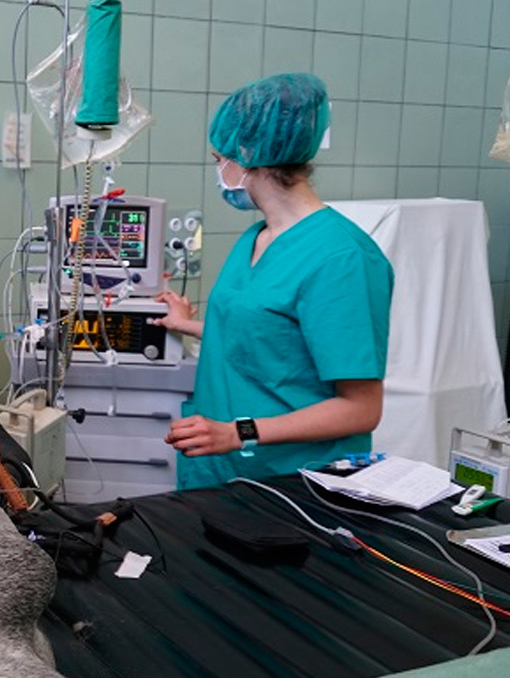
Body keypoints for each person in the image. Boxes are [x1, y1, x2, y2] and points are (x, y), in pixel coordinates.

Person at [154, 73, 393, 490]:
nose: (219, 171)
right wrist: (186, 324)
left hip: (292, 484)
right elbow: (272, 340)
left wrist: (239, 432)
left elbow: (361, 409)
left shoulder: (342, 259)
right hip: (223, 474)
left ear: (248, 153)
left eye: (219, 159)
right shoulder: (257, 237)